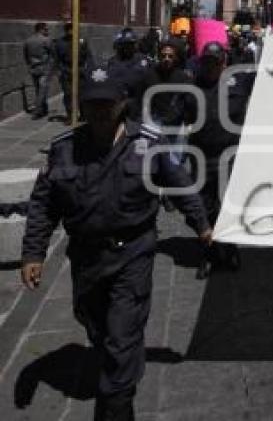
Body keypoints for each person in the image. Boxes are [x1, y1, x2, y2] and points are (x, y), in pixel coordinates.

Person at [21, 68, 212, 421]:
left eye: (106, 104)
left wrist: (202, 226)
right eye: (92, 104)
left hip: (133, 253)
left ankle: (117, 404)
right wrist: (34, 252)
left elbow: (181, 185)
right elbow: (43, 205)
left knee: (122, 337)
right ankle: (117, 362)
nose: (99, 112)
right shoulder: (65, 149)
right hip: (86, 258)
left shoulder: (148, 144)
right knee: (98, 327)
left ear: (122, 104)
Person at [186, 42, 255, 279]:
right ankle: (210, 254)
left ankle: (232, 248)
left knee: (229, 206)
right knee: (205, 208)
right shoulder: (192, 86)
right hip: (202, 157)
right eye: (207, 61)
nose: (211, 66)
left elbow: (272, 75)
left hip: (231, 156)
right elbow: (178, 117)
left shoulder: (241, 80)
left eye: (215, 61)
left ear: (224, 61)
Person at [108, 29, 153, 122]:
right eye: (126, 44)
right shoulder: (113, 62)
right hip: (118, 105)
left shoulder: (143, 60)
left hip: (138, 106)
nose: (129, 47)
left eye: (131, 44)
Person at [53, 22, 94, 123]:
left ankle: (83, 115)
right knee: (68, 94)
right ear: (65, 30)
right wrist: (59, 71)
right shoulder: (59, 42)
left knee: (82, 94)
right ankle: (70, 116)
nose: (70, 31)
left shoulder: (82, 41)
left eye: (72, 28)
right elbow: (56, 59)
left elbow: (89, 56)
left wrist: (89, 69)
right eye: (68, 29)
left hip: (80, 70)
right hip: (66, 70)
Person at [23, 22, 53, 119]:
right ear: (41, 29)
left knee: (38, 89)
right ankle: (37, 111)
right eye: (46, 29)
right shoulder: (46, 40)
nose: (47, 31)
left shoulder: (28, 41)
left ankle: (44, 109)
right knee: (42, 91)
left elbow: (26, 56)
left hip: (33, 68)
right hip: (44, 68)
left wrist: (29, 65)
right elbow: (52, 53)